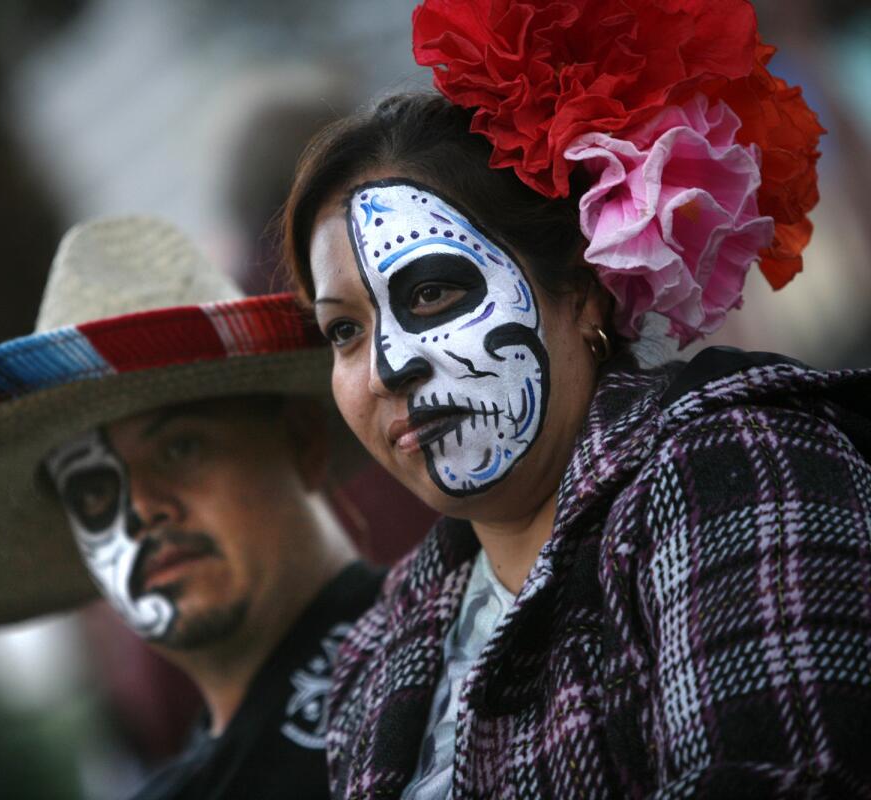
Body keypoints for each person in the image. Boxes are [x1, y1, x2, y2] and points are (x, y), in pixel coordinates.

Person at [283, 1, 871, 797]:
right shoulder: (378, 655)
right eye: (344, 332)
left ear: (583, 289)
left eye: (430, 294)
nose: (388, 367)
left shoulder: (732, 468)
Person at [0, 216, 382, 799]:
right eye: (92, 494)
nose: (141, 508)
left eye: (181, 447)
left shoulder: (453, 657)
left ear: (304, 440)